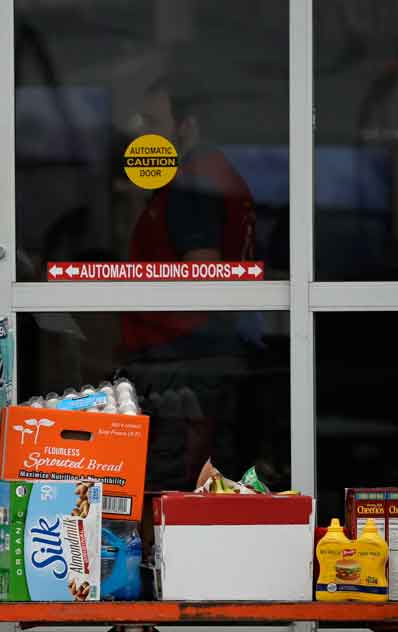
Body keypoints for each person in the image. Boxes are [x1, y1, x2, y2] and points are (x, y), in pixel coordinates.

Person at [118, 76, 263, 490]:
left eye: (153, 121)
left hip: (183, 363)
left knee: (176, 483)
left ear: (188, 126)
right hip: (209, 355)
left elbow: (202, 271)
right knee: (217, 481)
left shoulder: (192, 182)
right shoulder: (221, 175)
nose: (143, 132)